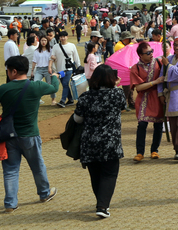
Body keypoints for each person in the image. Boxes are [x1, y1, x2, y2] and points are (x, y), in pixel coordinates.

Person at [0, 56, 59, 212]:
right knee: (37, 166)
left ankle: (10, 203)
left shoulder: (3, 89)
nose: (7, 73)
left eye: (7, 70)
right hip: (30, 135)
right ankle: (44, 193)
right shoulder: (36, 86)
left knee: (10, 170)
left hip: (8, 136)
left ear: (14, 71)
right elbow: (54, 88)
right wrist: (55, 77)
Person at [73, 64, 124, 218]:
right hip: (110, 141)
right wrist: (117, 86)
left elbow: (77, 119)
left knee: (95, 174)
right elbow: (122, 107)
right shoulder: (117, 94)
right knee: (109, 174)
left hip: (89, 142)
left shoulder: (85, 97)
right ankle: (102, 206)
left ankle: (101, 203)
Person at [130, 42, 165, 161]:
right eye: (148, 53)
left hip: (157, 96)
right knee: (142, 124)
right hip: (143, 98)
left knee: (158, 124)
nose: (151, 54)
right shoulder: (135, 68)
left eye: (152, 52)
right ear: (140, 55)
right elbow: (138, 87)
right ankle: (140, 152)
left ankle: (155, 150)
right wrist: (155, 82)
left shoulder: (159, 63)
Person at [50, 31, 80, 107]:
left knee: (65, 83)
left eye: (64, 36)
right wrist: (53, 58)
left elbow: (76, 57)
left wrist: (79, 66)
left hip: (69, 69)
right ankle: (70, 100)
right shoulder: (56, 46)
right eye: (61, 37)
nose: (62, 38)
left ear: (67, 37)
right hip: (60, 70)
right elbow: (52, 56)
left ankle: (62, 101)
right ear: (59, 37)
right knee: (64, 85)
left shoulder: (72, 46)